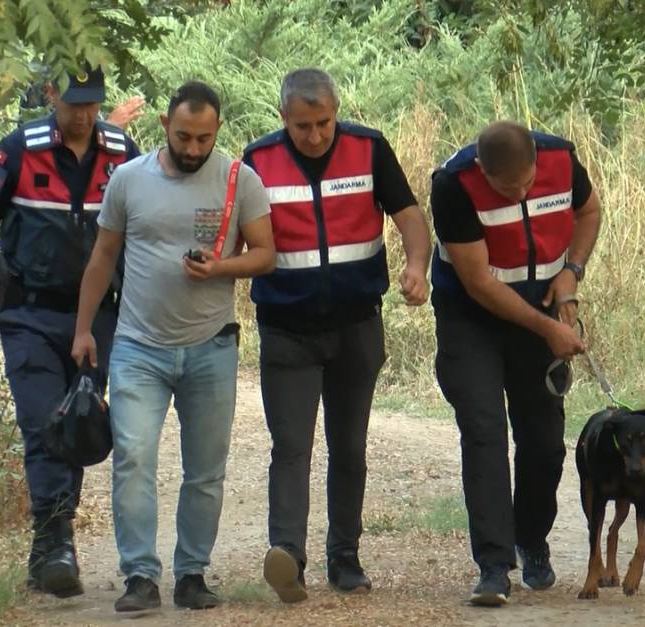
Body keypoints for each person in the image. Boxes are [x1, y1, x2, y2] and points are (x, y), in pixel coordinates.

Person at [71, 81, 275, 613]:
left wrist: (221, 268)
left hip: (211, 346)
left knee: (205, 468)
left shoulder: (239, 179)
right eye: (183, 136)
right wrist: (83, 329)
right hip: (139, 346)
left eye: (203, 139)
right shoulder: (128, 180)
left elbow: (265, 254)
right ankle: (139, 576)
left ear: (217, 132)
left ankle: (192, 574)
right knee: (134, 458)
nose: (192, 149)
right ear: (164, 124)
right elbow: (102, 256)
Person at [242, 67, 431, 602]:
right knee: (291, 445)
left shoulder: (369, 149)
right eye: (303, 125)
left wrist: (417, 266)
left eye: (324, 122)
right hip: (286, 328)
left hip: (356, 324)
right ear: (284, 118)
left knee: (349, 448)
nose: (315, 135)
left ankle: (345, 558)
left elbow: (410, 217)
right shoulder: (257, 162)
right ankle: (288, 558)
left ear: (336, 112)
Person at [0, 66, 140, 598]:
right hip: (30, 312)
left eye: (92, 103)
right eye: (73, 102)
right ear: (52, 93)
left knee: (76, 423)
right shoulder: (18, 149)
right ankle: (55, 539)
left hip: (100, 315)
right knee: (42, 423)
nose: (83, 114)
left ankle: (51, 542)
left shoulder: (122, 149)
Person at [429, 121, 601, 606]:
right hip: (471, 321)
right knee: (484, 432)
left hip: (541, 306)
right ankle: (493, 566)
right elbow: (480, 283)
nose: (521, 192)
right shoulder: (454, 185)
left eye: (528, 182)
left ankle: (531, 539)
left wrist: (572, 272)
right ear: (483, 170)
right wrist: (550, 329)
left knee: (544, 442)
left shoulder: (561, 160)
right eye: (509, 188)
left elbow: (588, 210)